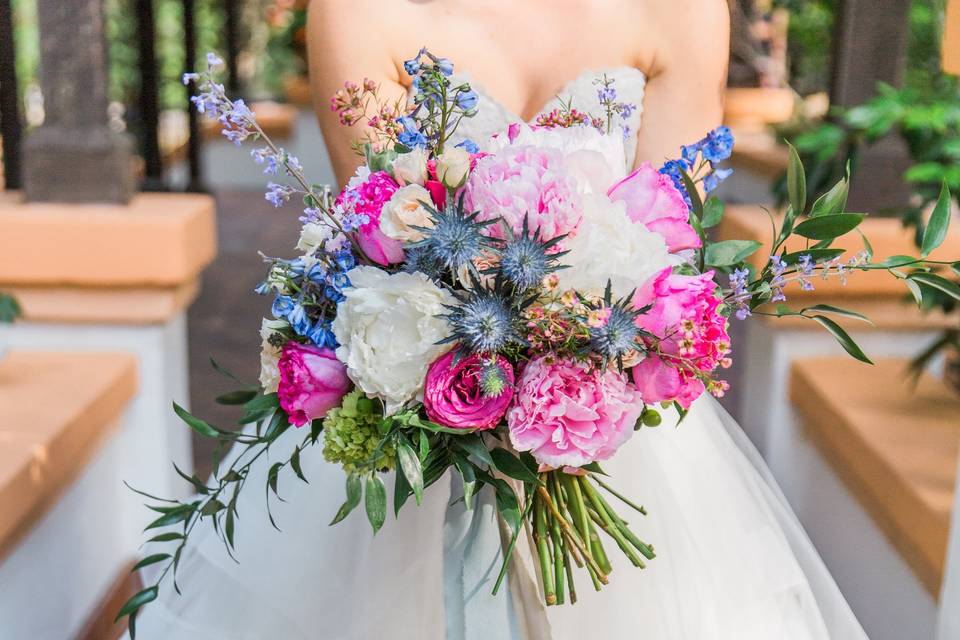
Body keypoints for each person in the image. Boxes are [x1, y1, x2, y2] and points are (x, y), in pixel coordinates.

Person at [129, 1, 868, 638]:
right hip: (417, 425)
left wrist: (577, 336)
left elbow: (667, 243)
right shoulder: (360, 10)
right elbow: (391, 237)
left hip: (608, 424)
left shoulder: (679, 10)